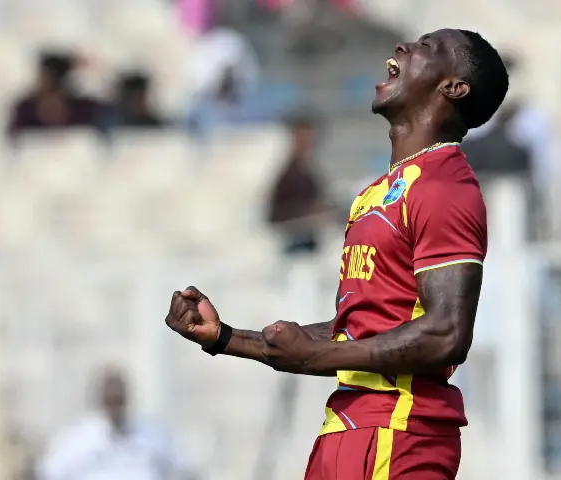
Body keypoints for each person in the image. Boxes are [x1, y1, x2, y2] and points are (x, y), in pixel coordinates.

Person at [165, 28, 508, 479]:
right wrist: (227, 338)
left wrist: (319, 358)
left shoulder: (446, 187)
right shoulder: (374, 195)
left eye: (426, 47)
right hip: (346, 427)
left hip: (400, 431)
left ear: (453, 86)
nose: (403, 47)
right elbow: (355, 331)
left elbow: (447, 333)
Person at [38, 367, 194, 480]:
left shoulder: (153, 433)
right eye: (110, 401)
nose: (115, 407)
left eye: (119, 400)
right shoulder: (76, 438)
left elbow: (184, 468)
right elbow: (48, 472)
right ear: (101, 400)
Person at [267, 114, 329, 257]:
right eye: (302, 137)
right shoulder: (285, 173)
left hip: (311, 242)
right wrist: (307, 212)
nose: (307, 142)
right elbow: (273, 214)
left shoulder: (309, 171)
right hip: (291, 245)